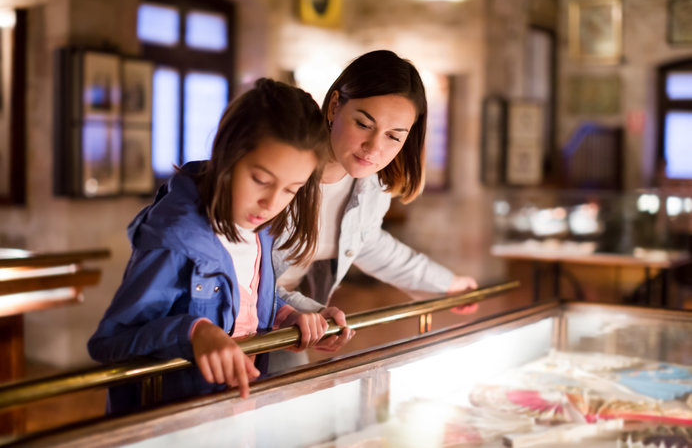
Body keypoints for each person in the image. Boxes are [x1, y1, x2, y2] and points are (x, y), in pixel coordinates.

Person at [88, 78, 342, 413]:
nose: (270, 203)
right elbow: (111, 341)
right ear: (228, 154)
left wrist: (287, 314)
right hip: (172, 425)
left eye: (290, 190)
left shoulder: (259, 230)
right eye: (261, 180)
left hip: (232, 413)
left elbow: (242, 301)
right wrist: (194, 332)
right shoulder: (174, 238)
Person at [270, 50, 479, 369]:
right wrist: (302, 311)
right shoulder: (280, 170)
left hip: (290, 324)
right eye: (364, 124)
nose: (375, 148)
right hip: (234, 318)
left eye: (394, 137)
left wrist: (444, 283)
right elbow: (239, 272)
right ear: (335, 105)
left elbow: (367, 243)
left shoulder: (370, 185)